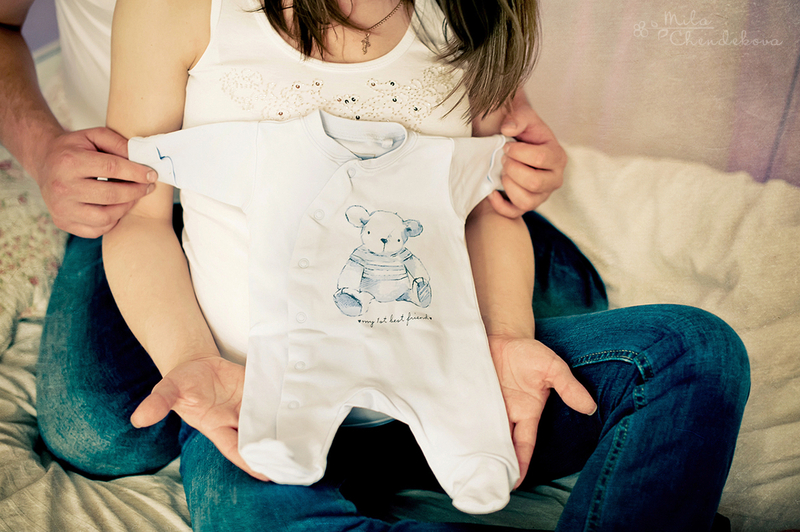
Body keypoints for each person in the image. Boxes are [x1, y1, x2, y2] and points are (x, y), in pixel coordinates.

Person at [102, 1, 750, 531]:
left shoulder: (473, 16)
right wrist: (190, 358)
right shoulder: (180, 11)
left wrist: (506, 337)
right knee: (259, 514)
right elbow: (137, 214)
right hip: (258, 398)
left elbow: (490, 207)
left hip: (450, 377)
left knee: (693, 349)